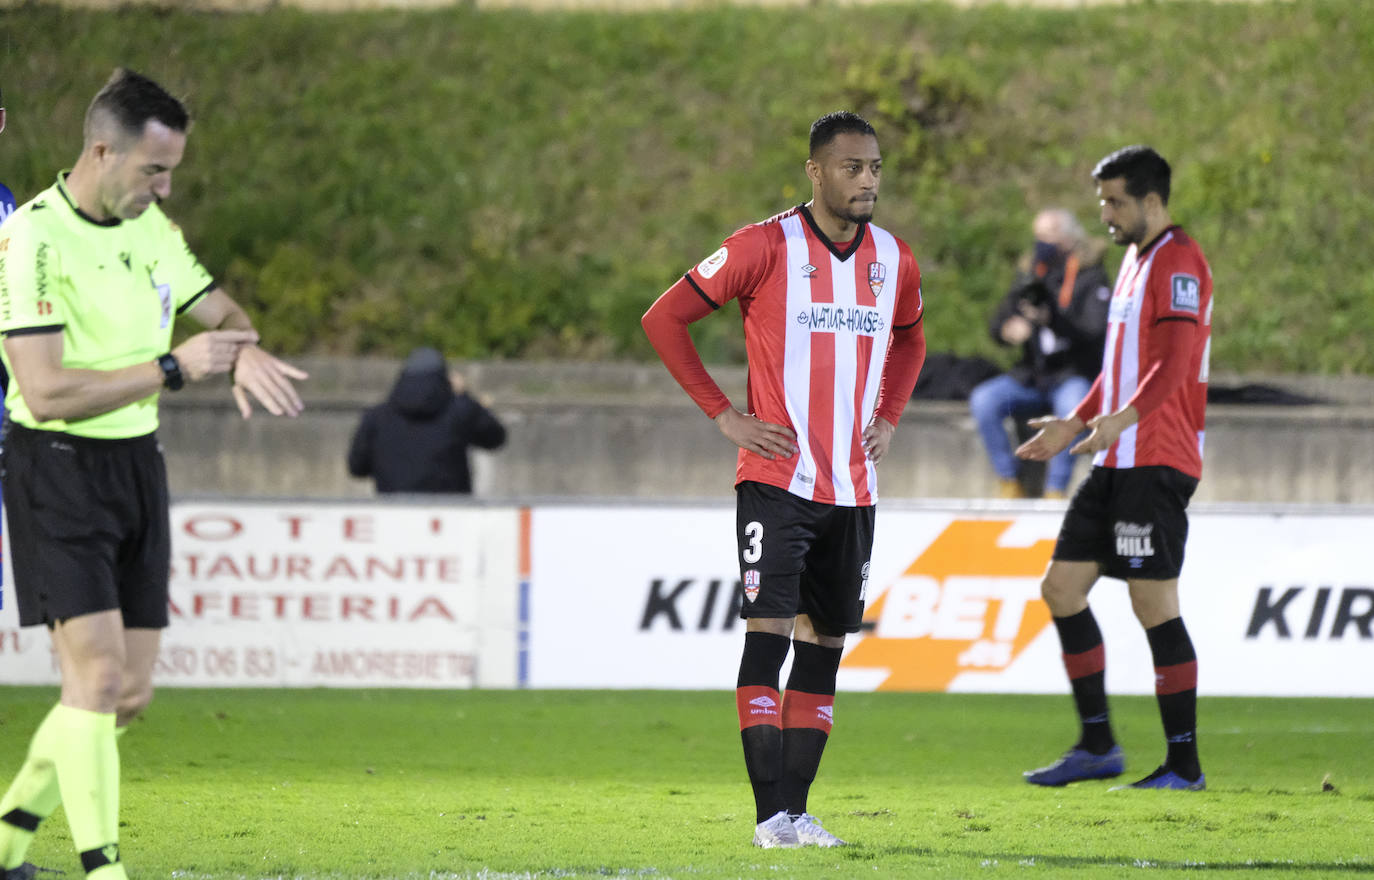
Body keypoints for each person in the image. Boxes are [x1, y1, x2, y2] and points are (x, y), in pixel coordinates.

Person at [0, 68, 307, 879]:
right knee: (94, 679)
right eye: (153, 171)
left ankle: (4, 840)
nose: (165, 187)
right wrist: (174, 368)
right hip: (55, 465)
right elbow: (45, 390)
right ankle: (105, 868)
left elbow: (225, 317)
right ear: (102, 152)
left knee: (121, 698)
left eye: (171, 171)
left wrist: (241, 354)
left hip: (138, 464)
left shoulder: (152, 228)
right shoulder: (32, 237)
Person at [642, 111, 926, 847]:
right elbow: (664, 319)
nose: (867, 180)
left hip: (854, 488)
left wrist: (889, 415)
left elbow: (911, 336)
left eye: (875, 167)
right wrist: (725, 417)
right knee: (768, 634)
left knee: (825, 647)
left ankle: (799, 812)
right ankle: (768, 816)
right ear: (816, 172)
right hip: (777, 480)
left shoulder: (895, 258)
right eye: (852, 167)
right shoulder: (762, 245)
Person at [1015, 145, 1213, 791]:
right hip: (1120, 454)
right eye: (1102, 200)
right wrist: (1078, 420)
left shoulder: (1179, 260)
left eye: (1115, 201)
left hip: (1157, 459)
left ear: (1151, 200)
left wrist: (1122, 420)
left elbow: (1175, 363)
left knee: (1153, 603)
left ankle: (1183, 764)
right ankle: (1098, 745)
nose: (1104, 213)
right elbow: (1120, 367)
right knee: (1061, 589)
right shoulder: (1133, 260)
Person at [969, 208, 1111, 499]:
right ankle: (1009, 481)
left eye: (1048, 236)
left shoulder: (1090, 275)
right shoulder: (1033, 271)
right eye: (1038, 236)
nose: (1041, 243)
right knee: (984, 400)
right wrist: (1007, 330)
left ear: (1069, 238)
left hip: (1072, 374)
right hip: (1032, 376)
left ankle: (1055, 490)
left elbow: (1096, 332)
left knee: (1073, 407)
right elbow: (1000, 320)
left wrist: (1052, 320)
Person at [347, 347, 506, 494]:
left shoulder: (376, 417)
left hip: (393, 515)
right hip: (450, 515)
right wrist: (464, 395)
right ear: (443, 378)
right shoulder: (459, 412)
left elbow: (357, 467)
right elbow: (495, 437)